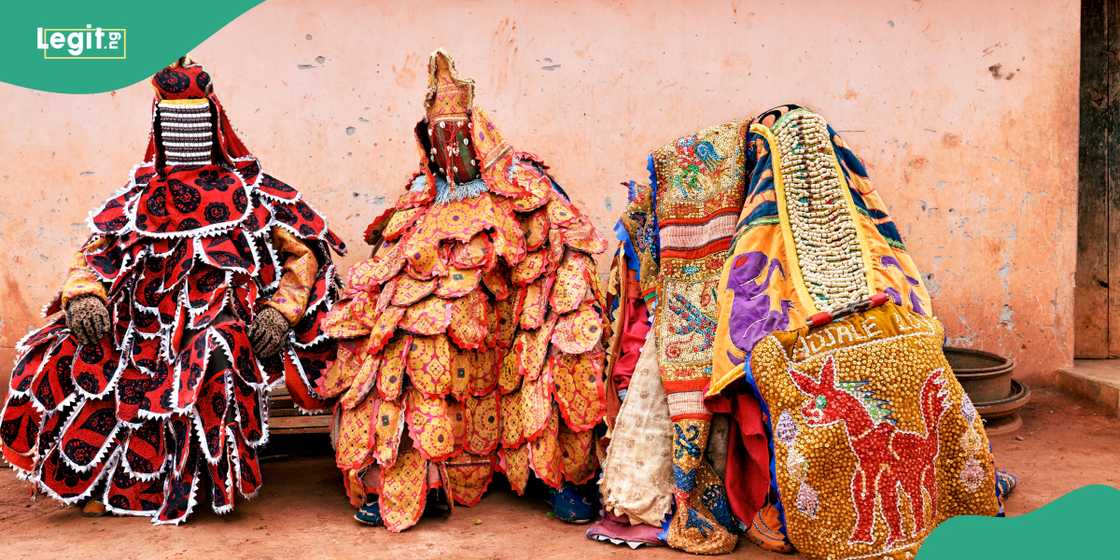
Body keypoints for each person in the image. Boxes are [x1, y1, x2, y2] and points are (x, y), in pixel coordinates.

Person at [0, 58, 345, 524]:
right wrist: (84, 296)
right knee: (63, 351)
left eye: (196, 121)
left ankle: (204, 485)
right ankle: (110, 483)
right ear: (159, 127)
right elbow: (93, 256)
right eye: (176, 122)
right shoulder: (136, 199)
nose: (187, 134)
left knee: (216, 351)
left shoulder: (253, 192)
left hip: (223, 319)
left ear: (214, 122)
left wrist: (281, 311)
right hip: (141, 324)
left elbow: (303, 256)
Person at [306, 50, 608, 532]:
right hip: (452, 329)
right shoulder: (422, 201)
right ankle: (420, 476)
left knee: (561, 325)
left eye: (457, 132)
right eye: (438, 134)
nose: (450, 146)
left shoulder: (524, 185)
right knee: (409, 332)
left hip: (512, 316)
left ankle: (560, 475)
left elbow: (564, 246)